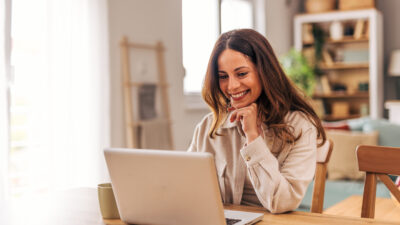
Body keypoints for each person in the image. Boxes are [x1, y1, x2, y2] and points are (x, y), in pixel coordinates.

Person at [188, 29, 326, 213]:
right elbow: (186, 186)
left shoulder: (299, 126)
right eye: (223, 77)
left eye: (242, 74)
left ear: (264, 72)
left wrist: (253, 137)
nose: (232, 86)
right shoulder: (209, 126)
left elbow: (282, 202)